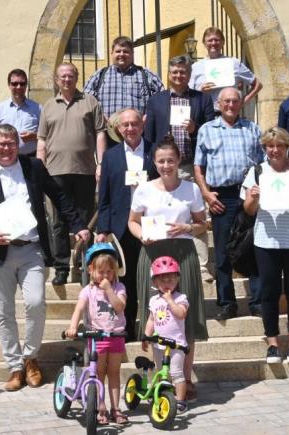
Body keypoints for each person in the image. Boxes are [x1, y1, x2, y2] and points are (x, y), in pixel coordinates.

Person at [0, 124, 90, 391]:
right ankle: (14, 366)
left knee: (35, 303)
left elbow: (59, 196)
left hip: (31, 248)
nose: (6, 148)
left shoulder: (33, 167)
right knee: (4, 311)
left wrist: (78, 225)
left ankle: (31, 357)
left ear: (17, 144)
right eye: (1, 144)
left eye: (11, 143)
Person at [129, 137, 208, 401]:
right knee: (156, 315)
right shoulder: (144, 189)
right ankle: (157, 378)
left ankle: (183, 377)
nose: (166, 165)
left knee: (186, 318)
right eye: (161, 161)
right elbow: (133, 221)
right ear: (154, 162)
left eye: (171, 160)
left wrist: (187, 228)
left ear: (178, 162)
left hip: (183, 255)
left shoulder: (192, 189)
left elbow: (202, 224)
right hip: (153, 253)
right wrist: (142, 236)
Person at [241, 127, 289, 363]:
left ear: (287, 147)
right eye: (270, 146)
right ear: (265, 148)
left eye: (279, 146)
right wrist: (252, 197)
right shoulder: (257, 171)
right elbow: (249, 210)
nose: (274, 150)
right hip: (266, 240)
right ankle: (272, 343)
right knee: (269, 292)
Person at [144, 55, 216, 282]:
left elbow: (211, 129)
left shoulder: (201, 99)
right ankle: (161, 261)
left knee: (197, 217)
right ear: (169, 73)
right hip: (164, 168)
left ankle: (201, 265)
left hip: (190, 164)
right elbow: (149, 137)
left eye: (183, 72)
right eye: (174, 72)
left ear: (189, 74)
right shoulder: (156, 100)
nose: (178, 76)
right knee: (162, 213)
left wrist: (196, 128)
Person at [194, 87, 264, 320]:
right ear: (219, 104)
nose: (231, 105)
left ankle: (257, 301)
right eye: (227, 101)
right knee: (223, 251)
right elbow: (198, 167)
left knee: (253, 246)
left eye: (235, 101)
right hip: (221, 196)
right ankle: (226, 302)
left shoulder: (253, 129)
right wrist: (206, 194)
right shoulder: (207, 130)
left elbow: (263, 164)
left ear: (241, 103)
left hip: (248, 195)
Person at [38, 63, 107, 286]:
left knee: (85, 221)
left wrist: (101, 164)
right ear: (56, 80)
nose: (66, 79)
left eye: (70, 75)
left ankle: (84, 265)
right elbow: (42, 140)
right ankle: (61, 268)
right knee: (58, 222)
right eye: (62, 76)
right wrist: (41, 169)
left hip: (84, 170)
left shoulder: (90, 101)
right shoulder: (48, 106)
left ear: (77, 77)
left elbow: (100, 134)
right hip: (55, 172)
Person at [96, 108, 156, 340]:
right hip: (121, 227)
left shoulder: (154, 151)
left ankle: (155, 326)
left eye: (134, 124)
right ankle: (129, 327)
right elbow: (105, 197)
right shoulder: (110, 157)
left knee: (152, 278)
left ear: (142, 125)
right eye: (125, 125)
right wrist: (103, 229)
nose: (130, 129)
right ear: (118, 129)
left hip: (150, 224)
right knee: (127, 280)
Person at [65, 243, 128, 424]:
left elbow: (120, 307)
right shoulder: (88, 291)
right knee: (98, 373)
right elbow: (78, 309)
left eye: (109, 271)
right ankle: (101, 406)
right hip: (96, 337)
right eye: (101, 272)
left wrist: (109, 290)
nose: (105, 276)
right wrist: (73, 327)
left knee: (114, 372)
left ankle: (116, 408)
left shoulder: (119, 288)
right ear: (91, 270)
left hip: (115, 335)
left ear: (115, 271)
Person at [142, 256, 190, 414]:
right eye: (162, 279)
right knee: (161, 372)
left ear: (177, 279)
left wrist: (170, 301)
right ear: (155, 282)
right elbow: (151, 320)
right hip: (158, 344)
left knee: (176, 373)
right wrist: (146, 336)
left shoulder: (180, 298)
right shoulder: (154, 300)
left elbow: (181, 314)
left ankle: (181, 400)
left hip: (176, 345)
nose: (167, 282)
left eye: (170, 278)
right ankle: (162, 396)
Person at [84, 36, 163, 125]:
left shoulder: (147, 75)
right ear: (112, 53)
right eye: (118, 51)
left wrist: (149, 116)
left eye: (126, 51)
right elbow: (86, 100)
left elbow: (162, 99)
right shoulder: (99, 75)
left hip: (139, 132)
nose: (121, 54)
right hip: (107, 131)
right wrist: (99, 115)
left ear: (132, 54)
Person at [189, 26, 262, 111]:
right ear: (204, 43)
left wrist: (243, 101)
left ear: (223, 42)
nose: (213, 43)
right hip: (204, 117)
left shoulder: (234, 63)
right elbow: (188, 94)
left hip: (229, 116)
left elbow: (258, 84)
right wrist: (200, 91)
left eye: (217, 40)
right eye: (209, 40)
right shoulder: (195, 67)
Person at [0, 68, 42, 157]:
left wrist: (35, 136)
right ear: (9, 85)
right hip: (6, 157)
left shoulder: (38, 108)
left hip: (30, 157)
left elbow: (47, 135)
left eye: (22, 84)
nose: (19, 87)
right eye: (14, 84)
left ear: (26, 85)